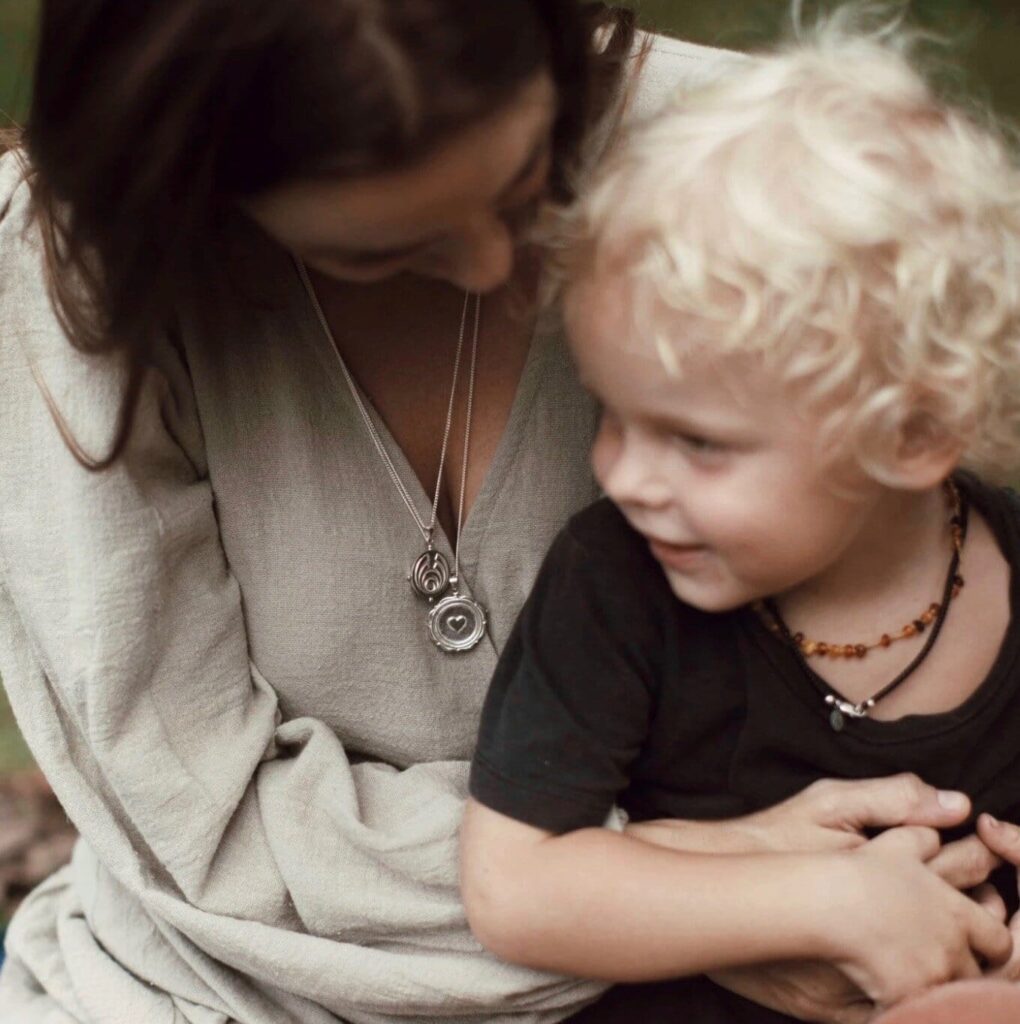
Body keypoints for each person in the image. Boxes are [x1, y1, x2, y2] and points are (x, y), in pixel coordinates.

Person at [0, 2, 1015, 1022]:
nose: (502, 270)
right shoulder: (74, 284)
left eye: (531, 179)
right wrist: (707, 901)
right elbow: (200, 826)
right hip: (232, 982)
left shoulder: (750, 185)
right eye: (383, 247)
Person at [461, 12, 1020, 1023]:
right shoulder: (613, 582)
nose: (622, 473)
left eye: (697, 440)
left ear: (912, 433)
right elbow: (515, 885)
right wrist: (821, 902)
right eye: (612, 413)